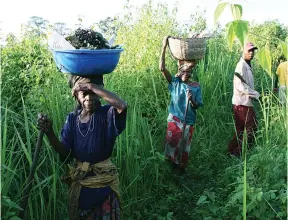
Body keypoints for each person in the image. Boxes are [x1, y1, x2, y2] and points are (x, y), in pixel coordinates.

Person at [37, 76, 127, 220]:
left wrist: (90, 87)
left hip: (103, 187)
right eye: (84, 94)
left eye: (93, 93)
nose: (89, 98)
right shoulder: (72, 119)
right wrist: (49, 132)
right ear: (76, 96)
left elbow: (122, 106)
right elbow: (66, 153)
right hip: (82, 188)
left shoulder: (107, 113)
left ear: (99, 93)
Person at [159, 36, 203, 172]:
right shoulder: (175, 83)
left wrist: (191, 100)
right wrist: (164, 46)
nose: (186, 73)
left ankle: (180, 172)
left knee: (184, 149)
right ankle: (169, 169)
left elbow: (197, 106)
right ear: (179, 72)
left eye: (189, 72)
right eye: (184, 71)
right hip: (175, 119)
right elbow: (162, 68)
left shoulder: (195, 86)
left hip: (189, 121)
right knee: (172, 144)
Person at [228, 42, 260, 157]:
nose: (251, 53)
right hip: (242, 103)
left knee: (241, 128)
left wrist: (253, 95)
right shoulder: (241, 65)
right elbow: (239, 85)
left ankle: (232, 151)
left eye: (253, 51)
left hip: (244, 102)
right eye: (249, 51)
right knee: (251, 126)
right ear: (244, 51)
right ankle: (238, 153)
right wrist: (255, 94)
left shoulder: (247, 65)